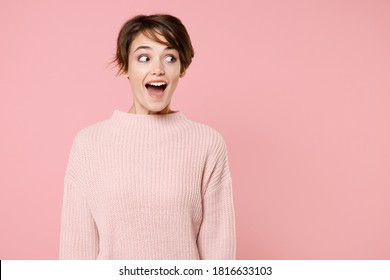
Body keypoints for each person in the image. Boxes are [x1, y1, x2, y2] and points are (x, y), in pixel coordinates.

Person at [59, 14, 235, 260]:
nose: (158, 69)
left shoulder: (207, 144)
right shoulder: (89, 144)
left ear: (182, 68)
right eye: (144, 58)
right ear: (124, 67)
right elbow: (75, 254)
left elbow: (219, 253)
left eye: (170, 58)